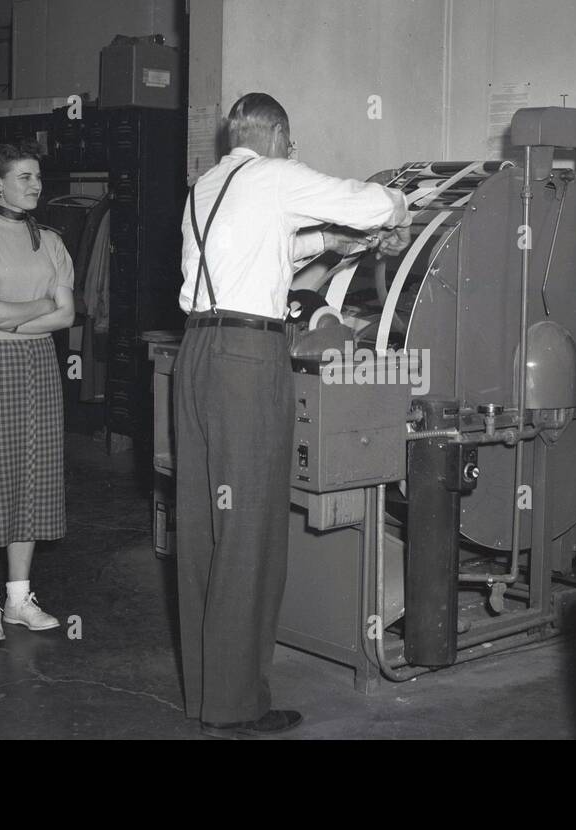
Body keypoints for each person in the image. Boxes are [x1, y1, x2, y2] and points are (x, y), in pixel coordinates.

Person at [175, 93, 411, 738]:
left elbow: (266, 249)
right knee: (249, 529)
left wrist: (331, 242)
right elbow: (371, 200)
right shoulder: (276, 175)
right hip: (247, 358)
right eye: (293, 140)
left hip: (197, 350)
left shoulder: (208, 186)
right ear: (277, 133)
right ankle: (237, 705)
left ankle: (206, 693)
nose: (294, 151)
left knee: (206, 530)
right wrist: (398, 211)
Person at [0, 141, 76, 643]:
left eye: (38, 177)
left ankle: (18, 599)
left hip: (39, 365)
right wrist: (39, 306)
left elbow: (67, 314)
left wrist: (14, 315)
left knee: (32, 474)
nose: (35, 185)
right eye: (24, 176)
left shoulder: (50, 240)